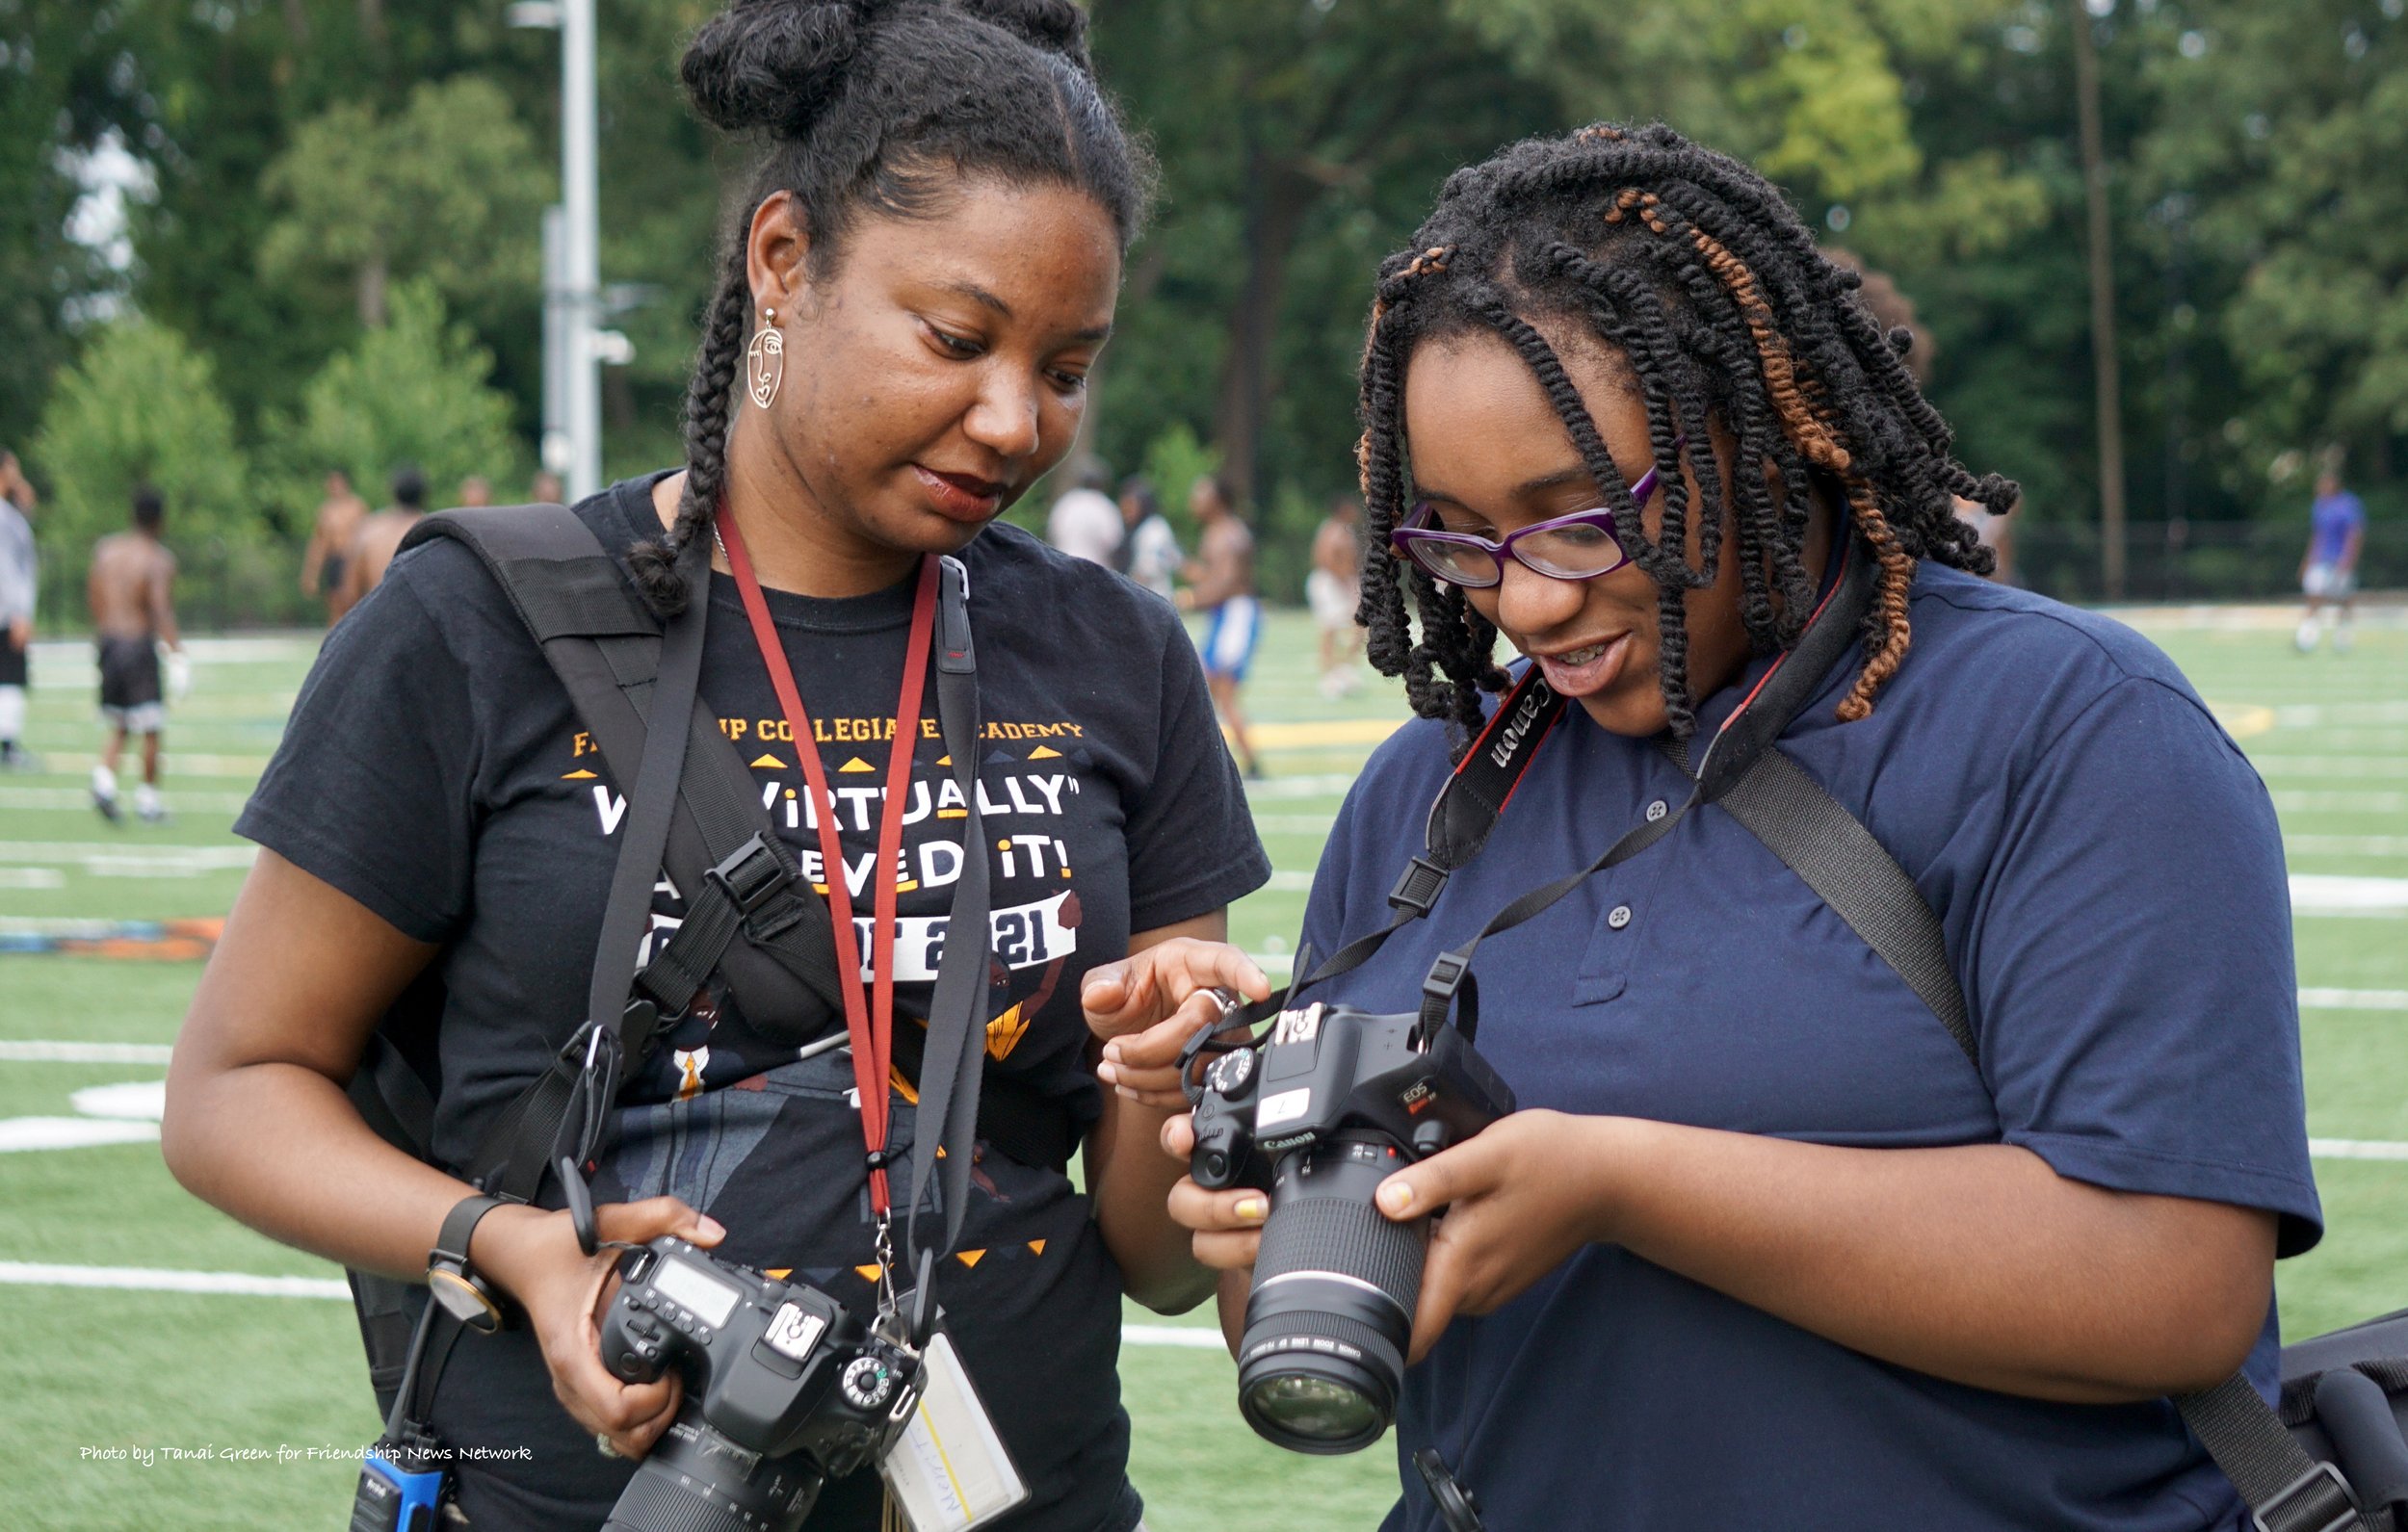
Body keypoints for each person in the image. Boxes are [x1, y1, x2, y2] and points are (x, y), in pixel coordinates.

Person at [163, 6, 1268, 1532]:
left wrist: (1174, 1072)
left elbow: (1152, 1256)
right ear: (783, 261)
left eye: (1068, 368)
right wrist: (502, 1239)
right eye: (957, 340)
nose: (1016, 420)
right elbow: (230, 1091)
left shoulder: (1115, 649)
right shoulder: (481, 622)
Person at [1163, 122, 2315, 1530]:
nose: (1524, 601)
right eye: (1457, 536)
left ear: (1766, 439)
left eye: (1581, 518)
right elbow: (1309, 1330)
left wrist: (1619, 1183)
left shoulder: (2073, 727)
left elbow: (2174, 1286)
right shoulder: (1428, 794)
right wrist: (1257, 1201)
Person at [88, 486, 186, 823]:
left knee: (119, 721)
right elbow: (160, 608)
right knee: (151, 726)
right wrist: (177, 654)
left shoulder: (106, 551)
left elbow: (94, 596)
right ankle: (148, 800)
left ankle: (103, 782)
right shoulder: (157, 558)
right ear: (160, 519)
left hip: (109, 642)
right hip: (137, 645)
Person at [1177, 473, 1261, 777]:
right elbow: (1219, 577)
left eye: (1201, 493)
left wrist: (1189, 598)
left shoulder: (1226, 534)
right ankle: (1210, 763)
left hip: (1234, 616)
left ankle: (1251, 763)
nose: (1195, 500)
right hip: (1225, 616)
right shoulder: (1220, 531)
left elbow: (1226, 584)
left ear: (1216, 500)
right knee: (1205, 690)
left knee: (1223, 693)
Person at [330, 466, 429, 620]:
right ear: (424, 495)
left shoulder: (369, 530)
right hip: (420, 621)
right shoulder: (434, 530)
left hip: (377, 620)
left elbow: (349, 593)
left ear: (393, 493)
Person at [2297, 463, 2365, 653]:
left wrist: (2348, 559)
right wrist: (2307, 560)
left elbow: (2355, 534)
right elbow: (2317, 535)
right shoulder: (2319, 505)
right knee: (2314, 594)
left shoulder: (2348, 504)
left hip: (2340, 560)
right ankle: (2307, 637)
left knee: (2344, 598)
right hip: (2321, 559)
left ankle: (2343, 637)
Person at [0, 450, 37, 770]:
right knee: (10, 675)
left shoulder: (10, 514)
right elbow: (8, 567)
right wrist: (19, 612)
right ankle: (8, 746)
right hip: (5, 611)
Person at [1307, 494, 1363, 697]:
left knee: (1359, 625)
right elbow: (1325, 559)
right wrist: (1343, 583)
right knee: (1330, 629)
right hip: (1330, 583)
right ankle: (1329, 677)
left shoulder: (1347, 531)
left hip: (1345, 583)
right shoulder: (1332, 530)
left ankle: (1344, 670)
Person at [299, 470, 371, 621]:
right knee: (335, 604)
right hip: (335, 560)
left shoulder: (357, 507)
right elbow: (319, 545)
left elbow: (366, 537)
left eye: (338, 483)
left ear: (345, 484)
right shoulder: (326, 512)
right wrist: (311, 575)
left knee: (354, 603)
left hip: (352, 559)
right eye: (332, 484)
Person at [1112, 475, 1179, 604]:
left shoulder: (1154, 529)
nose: (1126, 510)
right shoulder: (1132, 530)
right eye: (1123, 504)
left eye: (1130, 505)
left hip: (1153, 600)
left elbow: (1145, 573)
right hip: (1138, 599)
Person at [1045, 459, 1122, 565]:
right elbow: (1113, 542)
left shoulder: (1067, 502)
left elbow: (1053, 533)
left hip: (1063, 562)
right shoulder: (1104, 506)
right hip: (1095, 565)